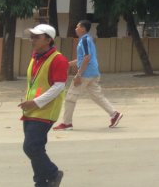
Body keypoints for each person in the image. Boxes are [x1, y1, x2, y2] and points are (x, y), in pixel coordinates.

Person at [18, 24, 68, 187]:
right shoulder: (35, 56)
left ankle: (53, 173)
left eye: (36, 37)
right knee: (37, 147)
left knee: (30, 146)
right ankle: (41, 182)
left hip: (45, 110)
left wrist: (35, 102)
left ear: (48, 40)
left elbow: (59, 86)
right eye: (31, 36)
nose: (32, 39)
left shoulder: (58, 59)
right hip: (31, 110)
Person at [53, 20, 122, 131]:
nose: (75, 29)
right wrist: (67, 64)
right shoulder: (87, 40)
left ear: (83, 29)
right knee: (97, 96)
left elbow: (87, 57)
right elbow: (82, 58)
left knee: (71, 96)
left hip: (86, 73)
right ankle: (114, 114)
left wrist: (78, 75)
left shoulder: (84, 40)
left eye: (77, 27)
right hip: (93, 72)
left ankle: (67, 123)